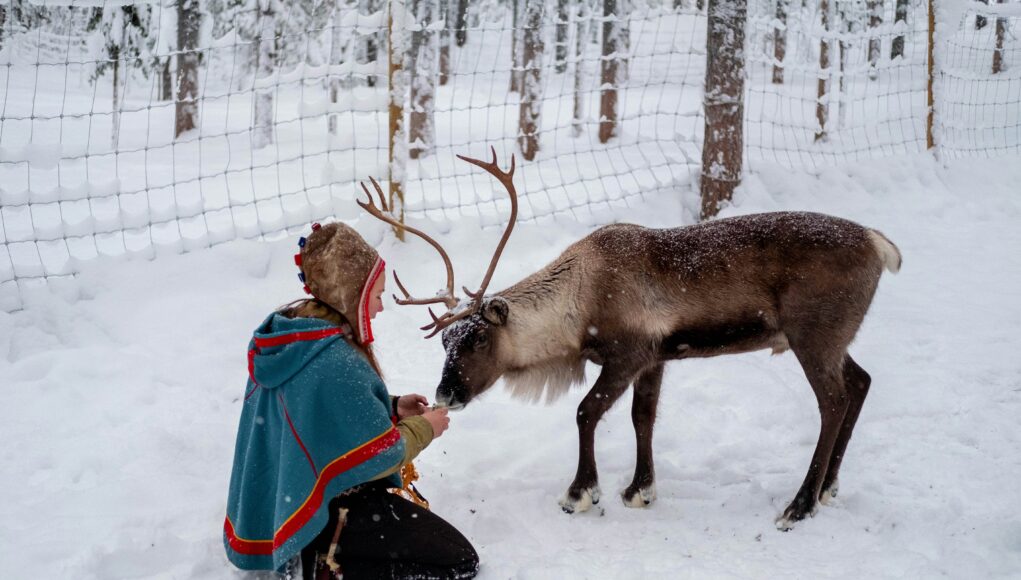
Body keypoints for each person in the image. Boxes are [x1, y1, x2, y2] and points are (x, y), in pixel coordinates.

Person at [223, 221, 479, 579]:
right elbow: (383, 452)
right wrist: (425, 427)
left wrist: (390, 407)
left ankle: (321, 548)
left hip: (290, 502)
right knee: (459, 560)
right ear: (351, 295)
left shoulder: (294, 337)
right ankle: (327, 561)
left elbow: (318, 413)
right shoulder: (336, 359)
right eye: (376, 296)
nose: (379, 308)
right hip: (334, 509)